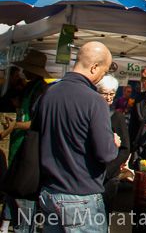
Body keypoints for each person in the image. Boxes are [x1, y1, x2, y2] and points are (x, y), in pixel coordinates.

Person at [36, 41, 120, 233]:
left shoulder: (48, 94)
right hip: (80, 195)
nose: (102, 77)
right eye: (104, 71)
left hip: (50, 192)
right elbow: (105, 154)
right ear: (94, 67)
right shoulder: (94, 101)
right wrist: (113, 143)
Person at [4, 50, 52, 233]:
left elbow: (37, 121)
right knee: (14, 195)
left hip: (29, 151)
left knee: (23, 198)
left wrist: (15, 124)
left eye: (27, 69)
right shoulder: (30, 86)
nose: (24, 73)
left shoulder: (41, 89)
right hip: (19, 147)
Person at [97, 75, 130, 216]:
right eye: (105, 93)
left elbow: (125, 149)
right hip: (90, 174)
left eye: (112, 93)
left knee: (103, 214)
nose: (109, 97)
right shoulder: (92, 113)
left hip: (109, 175)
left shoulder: (117, 117)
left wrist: (108, 171)